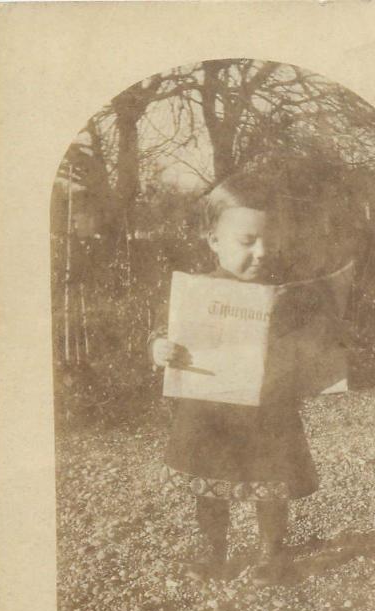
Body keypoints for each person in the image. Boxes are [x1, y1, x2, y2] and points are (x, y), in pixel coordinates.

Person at [148, 171, 328, 585]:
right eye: (247, 242)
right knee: (209, 485)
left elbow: (311, 344)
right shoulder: (196, 292)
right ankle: (212, 552)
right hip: (208, 411)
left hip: (269, 411)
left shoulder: (286, 293)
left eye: (269, 240)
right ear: (214, 240)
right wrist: (160, 349)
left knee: (270, 483)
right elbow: (163, 332)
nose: (261, 252)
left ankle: (272, 553)